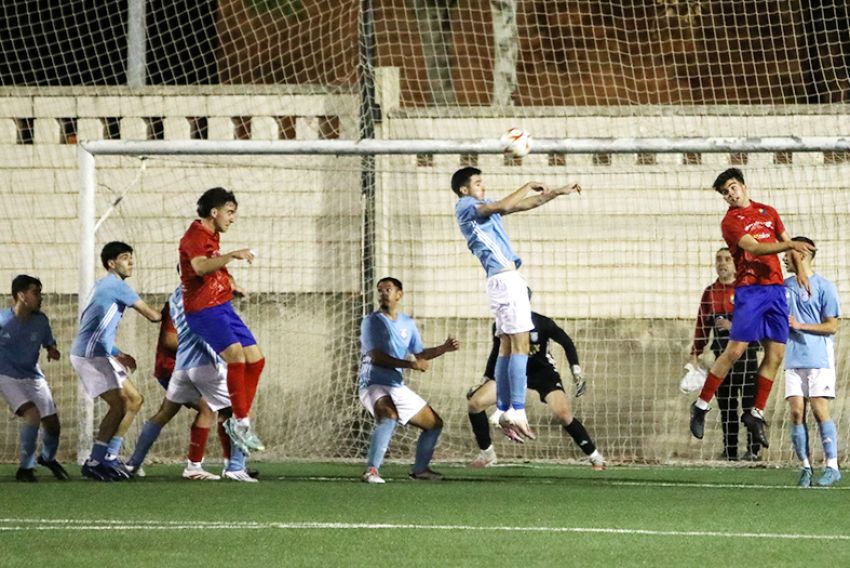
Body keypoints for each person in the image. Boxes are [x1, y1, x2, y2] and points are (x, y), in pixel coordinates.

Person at [452, 166, 581, 442]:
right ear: (464, 189)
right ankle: (517, 409)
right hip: (506, 280)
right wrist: (528, 183)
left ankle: (501, 411)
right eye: (477, 183)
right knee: (521, 343)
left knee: (508, 346)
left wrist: (556, 192)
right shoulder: (466, 205)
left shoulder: (484, 208)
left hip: (502, 281)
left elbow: (520, 205)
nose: (482, 186)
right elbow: (505, 203)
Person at [689, 168, 814, 449]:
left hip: (775, 291)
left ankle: (755, 414)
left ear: (743, 186)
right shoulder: (730, 222)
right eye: (724, 193)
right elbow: (755, 249)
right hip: (750, 290)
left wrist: (801, 269)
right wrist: (791, 244)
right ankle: (700, 405)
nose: (729, 194)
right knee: (734, 350)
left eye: (732, 188)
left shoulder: (768, 211)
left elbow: (786, 242)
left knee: (777, 354)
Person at [127, 286, 257, 482]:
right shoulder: (186, 301)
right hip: (179, 366)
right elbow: (170, 340)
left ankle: (133, 464)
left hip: (182, 367)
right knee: (227, 408)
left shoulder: (195, 297)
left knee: (171, 412)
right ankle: (225, 467)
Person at [179, 187, 265, 455]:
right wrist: (233, 255)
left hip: (222, 306)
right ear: (214, 212)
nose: (232, 218)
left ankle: (240, 420)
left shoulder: (212, 235)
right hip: (203, 310)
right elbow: (200, 267)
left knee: (256, 358)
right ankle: (239, 423)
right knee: (236, 356)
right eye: (230, 212)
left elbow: (215, 266)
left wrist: (232, 282)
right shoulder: (194, 235)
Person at [466, 310, 604, 469]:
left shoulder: (542, 322)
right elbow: (496, 352)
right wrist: (486, 379)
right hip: (512, 372)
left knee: (563, 414)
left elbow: (567, 342)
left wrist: (576, 370)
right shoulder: (501, 324)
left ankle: (595, 456)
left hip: (543, 372)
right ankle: (487, 454)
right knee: (475, 403)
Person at [70, 241, 161, 481]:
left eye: (131, 257)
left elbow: (95, 325)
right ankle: (101, 459)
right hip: (91, 355)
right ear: (111, 263)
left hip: (97, 351)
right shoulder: (117, 286)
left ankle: (104, 458)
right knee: (123, 403)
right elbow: (153, 316)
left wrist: (116, 351)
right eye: (124, 257)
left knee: (133, 400)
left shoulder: (103, 285)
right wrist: (179, 308)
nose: (130, 262)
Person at [359, 277, 459, 484]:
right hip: (373, 382)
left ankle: (420, 470)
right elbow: (377, 357)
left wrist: (444, 348)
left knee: (434, 424)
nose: (383, 293)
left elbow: (419, 353)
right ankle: (372, 470)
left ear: (399, 294)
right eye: (380, 290)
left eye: (388, 289)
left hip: (396, 384)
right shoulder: (372, 321)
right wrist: (412, 365)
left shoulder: (407, 323)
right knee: (389, 415)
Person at [689, 247, 762, 461]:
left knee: (749, 405)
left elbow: (759, 322)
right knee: (727, 407)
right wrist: (695, 352)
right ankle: (730, 451)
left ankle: (754, 449)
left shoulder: (747, 290)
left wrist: (735, 325)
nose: (722, 263)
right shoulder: (711, 292)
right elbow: (701, 325)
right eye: (719, 259)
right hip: (721, 358)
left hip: (747, 356)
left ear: (735, 263)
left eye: (727, 259)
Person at [782, 237, 841, 487]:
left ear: (802, 254)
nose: (784, 257)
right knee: (796, 412)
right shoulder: (783, 286)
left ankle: (832, 466)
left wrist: (801, 325)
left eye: (788, 252)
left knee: (819, 410)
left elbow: (833, 325)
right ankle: (805, 467)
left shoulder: (825, 287)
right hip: (793, 359)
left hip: (819, 358)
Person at [0, 275, 69, 482]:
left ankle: (47, 458)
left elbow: (48, 340)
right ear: (21, 296)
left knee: (53, 425)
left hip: (33, 376)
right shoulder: (3, 320)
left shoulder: (41, 320)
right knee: (32, 414)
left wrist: (52, 349)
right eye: (36, 293)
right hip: (7, 376)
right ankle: (25, 468)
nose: (41, 298)